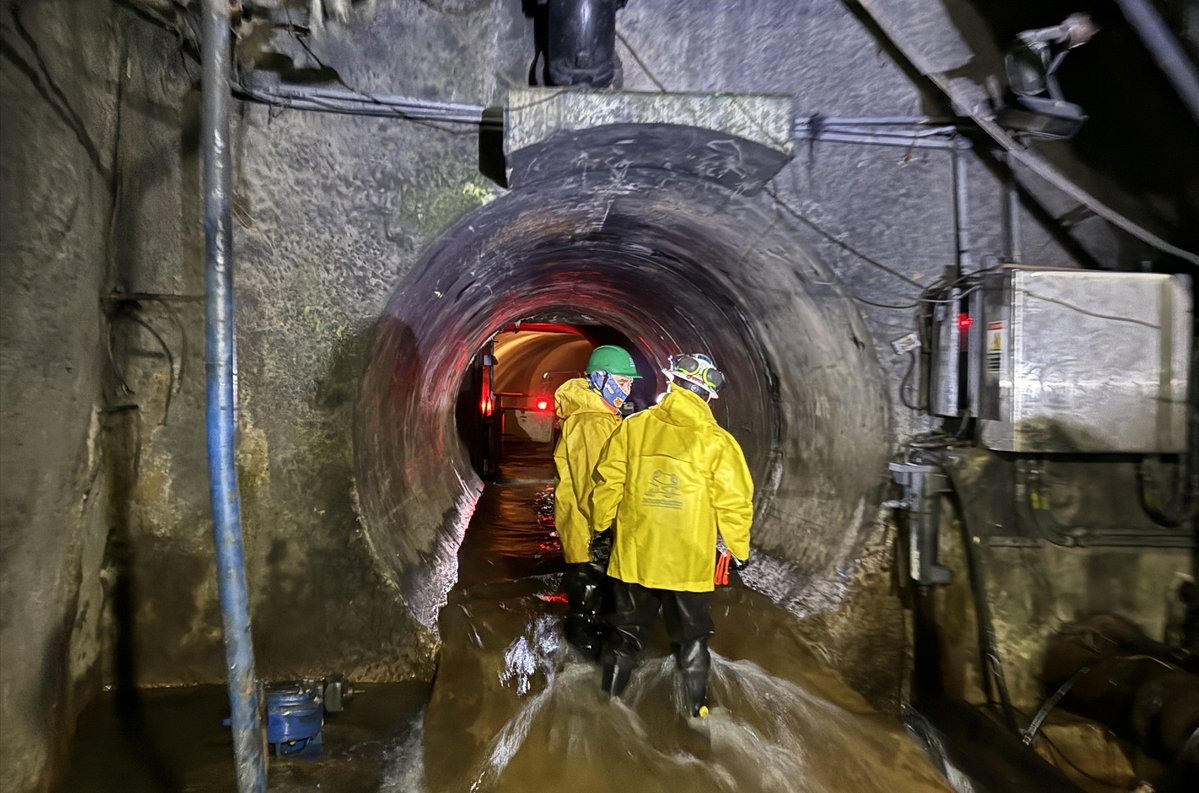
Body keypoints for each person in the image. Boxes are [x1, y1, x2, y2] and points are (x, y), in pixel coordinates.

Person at [589, 353, 753, 719]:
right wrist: (739, 551)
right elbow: (735, 504)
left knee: (625, 638)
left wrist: (601, 529)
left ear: (672, 383)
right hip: (688, 565)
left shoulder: (632, 428)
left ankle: (606, 712)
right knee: (692, 642)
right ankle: (699, 715)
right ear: (709, 395)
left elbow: (607, 484)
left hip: (634, 558)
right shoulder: (718, 444)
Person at [552, 344, 642, 660]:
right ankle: (582, 677)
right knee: (587, 612)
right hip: (588, 532)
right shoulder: (590, 422)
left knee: (596, 609)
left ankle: (587, 676)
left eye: (630, 382)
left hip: (593, 530)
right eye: (623, 381)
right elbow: (591, 485)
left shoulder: (603, 417)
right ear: (600, 379)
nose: (628, 388)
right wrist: (603, 531)